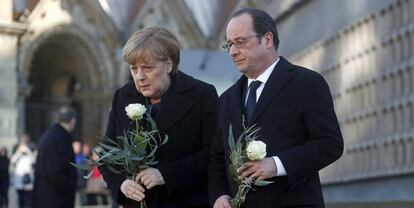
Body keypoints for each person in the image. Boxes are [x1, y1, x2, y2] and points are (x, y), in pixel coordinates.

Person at [208, 8, 344, 208]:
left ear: (268, 39)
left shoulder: (307, 83)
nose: (233, 52)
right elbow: (218, 158)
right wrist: (219, 195)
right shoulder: (227, 98)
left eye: (240, 42)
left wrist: (277, 165)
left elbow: (330, 144)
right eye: (229, 45)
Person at [100, 27, 218, 208]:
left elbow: (214, 153)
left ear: (169, 65)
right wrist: (121, 184)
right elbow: (107, 153)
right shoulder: (123, 96)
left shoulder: (202, 95)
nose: (139, 76)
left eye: (148, 67)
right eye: (134, 68)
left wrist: (167, 174)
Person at [32, 106, 78, 208]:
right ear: (72, 121)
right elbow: (58, 171)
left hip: (44, 195)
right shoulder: (61, 139)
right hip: (56, 198)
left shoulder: (48, 135)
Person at [10, 134, 35, 208]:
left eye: (25, 141)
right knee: (21, 200)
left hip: (28, 180)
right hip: (19, 179)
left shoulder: (31, 150)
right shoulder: (17, 151)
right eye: (22, 141)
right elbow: (12, 161)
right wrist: (18, 152)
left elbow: (33, 161)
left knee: (28, 200)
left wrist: (28, 151)